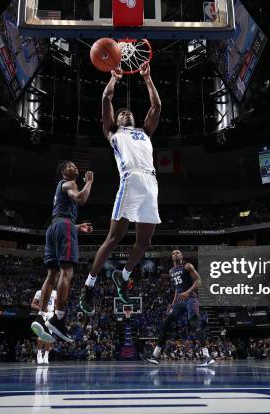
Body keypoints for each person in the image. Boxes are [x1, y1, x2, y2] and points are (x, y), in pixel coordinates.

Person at [79, 61, 162, 314]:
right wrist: (113, 78)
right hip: (130, 180)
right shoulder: (113, 132)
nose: (126, 114)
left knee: (144, 242)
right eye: (121, 113)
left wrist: (147, 78)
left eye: (129, 113)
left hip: (151, 183)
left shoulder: (145, 131)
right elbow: (106, 98)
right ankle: (89, 286)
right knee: (114, 238)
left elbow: (156, 106)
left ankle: (123, 277)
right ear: (115, 120)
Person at [34, 160, 93, 342]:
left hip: (53, 228)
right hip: (64, 225)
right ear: (63, 172)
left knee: (51, 274)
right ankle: (58, 317)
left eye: (76, 165)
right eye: (70, 165)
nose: (75, 167)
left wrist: (76, 227)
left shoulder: (60, 187)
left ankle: (41, 317)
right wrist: (89, 182)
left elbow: (61, 216)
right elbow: (81, 199)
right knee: (66, 271)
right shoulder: (70, 183)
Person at [145, 250, 214, 367]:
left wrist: (188, 291)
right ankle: (155, 356)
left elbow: (199, 281)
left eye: (178, 252)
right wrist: (172, 304)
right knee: (166, 324)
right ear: (172, 257)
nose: (175, 254)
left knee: (194, 323)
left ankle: (208, 357)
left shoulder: (187, 266)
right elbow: (177, 289)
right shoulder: (171, 271)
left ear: (182, 256)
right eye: (173, 253)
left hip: (190, 298)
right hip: (179, 301)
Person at [31, 288, 57, 364]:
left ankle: (46, 356)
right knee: (41, 335)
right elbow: (32, 304)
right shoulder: (39, 292)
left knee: (49, 336)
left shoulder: (55, 293)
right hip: (42, 314)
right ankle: (39, 354)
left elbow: (56, 304)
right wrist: (40, 308)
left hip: (51, 314)